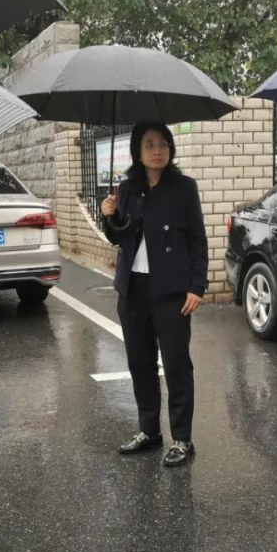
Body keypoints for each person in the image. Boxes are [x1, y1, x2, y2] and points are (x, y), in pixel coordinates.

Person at [100, 121, 208, 467]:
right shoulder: (128, 188)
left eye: (163, 144)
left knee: (176, 366)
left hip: (171, 291)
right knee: (140, 364)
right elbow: (118, 236)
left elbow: (198, 239)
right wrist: (108, 215)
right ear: (137, 151)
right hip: (133, 289)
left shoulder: (184, 187)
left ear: (170, 149)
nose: (157, 151)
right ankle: (149, 431)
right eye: (149, 145)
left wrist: (197, 286)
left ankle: (182, 439)